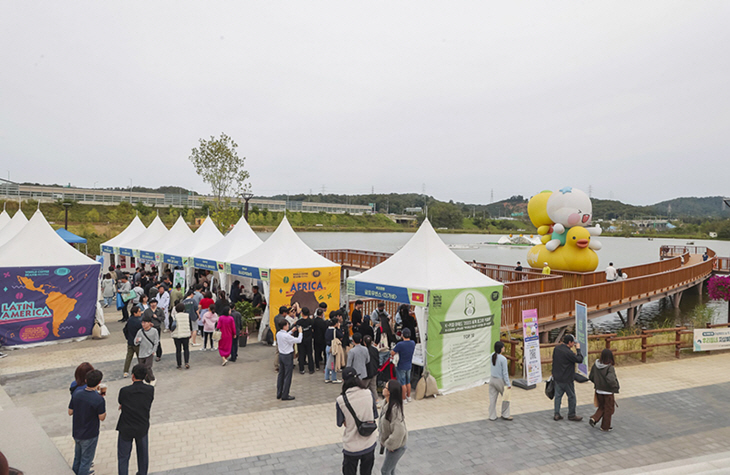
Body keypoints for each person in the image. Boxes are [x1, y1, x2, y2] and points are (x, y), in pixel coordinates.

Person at [336, 367, 378, 475]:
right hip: (369, 443)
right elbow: (374, 415)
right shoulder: (368, 393)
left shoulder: (341, 400)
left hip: (352, 446)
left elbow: (341, 423)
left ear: (344, 381)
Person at [116, 364, 154, 475]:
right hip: (142, 426)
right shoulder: (150, 390)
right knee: (143, 455)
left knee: (123, 457)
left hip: (126, 427)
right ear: (145, 375)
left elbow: (121, 401)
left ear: (132, 376)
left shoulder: (124, 391)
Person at [68, 369, 106, 475]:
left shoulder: (77, 394)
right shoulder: (98, 399)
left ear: (86, 380)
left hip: (77, 432)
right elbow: (102, 417)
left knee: (77, 459)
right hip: (90, 434)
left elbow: (70, 411)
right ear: (99, 383)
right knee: (86, 461)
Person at [379, 379, 408, 475]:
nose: (383, 388)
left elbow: (400, 431)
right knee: (391, 470)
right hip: (391, 445)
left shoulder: (395, 409)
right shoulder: (385, 404)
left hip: (397, 446)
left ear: (389, 392)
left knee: (385, 470)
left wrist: (391, 444)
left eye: (385, 387)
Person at [552, 334, 583, 421]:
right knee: (571, 396)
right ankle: (572, 415)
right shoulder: (568, 353)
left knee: (558, 396)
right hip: (567, 379)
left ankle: (556, 413)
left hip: (557, 377)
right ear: (569, 342)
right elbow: (579, 359)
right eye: (573, 342)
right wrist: (578, 349)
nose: (573, 344)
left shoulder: (557, 349)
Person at [589, 349, 620, 432]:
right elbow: (611, 380)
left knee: (602, 406)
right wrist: (615, 386)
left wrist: (597, 383)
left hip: (598, 390)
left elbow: (591, 376)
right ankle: (605, 426)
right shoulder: (609, 367)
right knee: (608, 409)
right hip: (608, 392)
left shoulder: (595, 365)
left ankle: (594, 418)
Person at [276, 320, 302, 401]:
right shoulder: (286, 336)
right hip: (287, 356)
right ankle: (285, 394)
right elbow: (298, 340)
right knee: (288, 375)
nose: (288, 326)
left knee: (281, 374)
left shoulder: (278, 334)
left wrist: (291, 331)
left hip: (281, 355)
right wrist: (300, 332)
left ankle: (279, 392)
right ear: (284, 326)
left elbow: (286, 335)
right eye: (287, 325)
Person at [391, 328, 416, 402]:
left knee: (402, 383)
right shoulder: (413, 343)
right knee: (408, 382)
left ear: (402, 335)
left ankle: (403, 398)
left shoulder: (400, 344)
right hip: (409, 365)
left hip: (401, 365)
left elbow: (392, 352)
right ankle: (408, 396)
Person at [489, 341, 512, 421]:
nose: (504, 348)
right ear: (501, 348)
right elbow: (505, 373)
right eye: (503, 347)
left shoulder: (491, 355)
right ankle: (505, 414)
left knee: (492, 399)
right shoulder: (503, 359)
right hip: (500, 381)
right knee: (506, 397)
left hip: (492, 379)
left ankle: (492, 416)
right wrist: (508, 384)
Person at [134, 316, 159, 386]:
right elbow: (135, 342)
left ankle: (152, 379)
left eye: (144, 323)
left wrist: (154, 350)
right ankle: (145, 379)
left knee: (148, 367)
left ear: (149, 323)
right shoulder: (140, 331)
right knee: (141, 368)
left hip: (149, 352)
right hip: (141, 353)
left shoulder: (154, 331)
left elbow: (156, 341)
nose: (143, 324)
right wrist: (137, 341)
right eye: (142, 323)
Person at [122, 306, 144, 378]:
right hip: (137, 342)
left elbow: (125, 330)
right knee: (140, 357)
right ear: (135, 313)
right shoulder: (138, 322)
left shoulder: (129, 320)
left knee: (129, 357)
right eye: (139, 311)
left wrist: (127, 337)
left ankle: (125, 371)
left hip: (130, 341)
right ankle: (142, 371)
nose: (140, 312)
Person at [171, 302, 192, 370]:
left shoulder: (174, 316)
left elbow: (171, 326)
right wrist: (190, 332)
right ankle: (186, 362)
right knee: (186, 349)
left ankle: (179, 364)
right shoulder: (187, 315)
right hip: (186, 334)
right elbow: (190, 325)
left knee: (178, 350)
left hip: (177, 335)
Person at [296, 307, 315, 374]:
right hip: (309, 339)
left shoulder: (299, 322)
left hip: (301, 340)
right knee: (310, 354)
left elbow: (296, 331)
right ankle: (311, 369)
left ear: (302, 313)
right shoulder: (311, 321)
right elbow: (313, 330)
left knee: (301, 354)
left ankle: (301, 369)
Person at [325, 318, 344, 383]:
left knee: (328, 363)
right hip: (333, 348)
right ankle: (334, 378)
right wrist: (339, 328)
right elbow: (341, 335)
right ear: (335, 324)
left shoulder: (327, 329)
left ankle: (326, 377)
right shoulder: (335, 330)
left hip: (327, 347)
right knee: (333, 363)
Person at [362, 335, 379, 401]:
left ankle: (365, 400)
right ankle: (376, 400)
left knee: (363, 387)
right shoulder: (375, 349)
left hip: (366, 371)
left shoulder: (363, 350)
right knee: (373, 387)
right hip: (374, 370)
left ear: (364, 342)